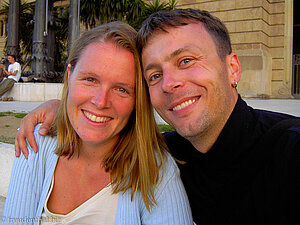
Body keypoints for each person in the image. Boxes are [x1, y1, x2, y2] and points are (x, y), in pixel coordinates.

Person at [15, 9, 300, 225]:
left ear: (233, 68)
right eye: (154, 75)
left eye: (186, 61)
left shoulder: (290, 151)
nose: (169, 83)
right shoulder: (167, 152)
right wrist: (63, 107)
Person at [2, 21, 193, 225]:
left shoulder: (155, 170)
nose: (100, 102)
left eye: (122, 89)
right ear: (69, 76)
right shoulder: (36, 142)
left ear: (137, 100)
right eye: (90, 79)